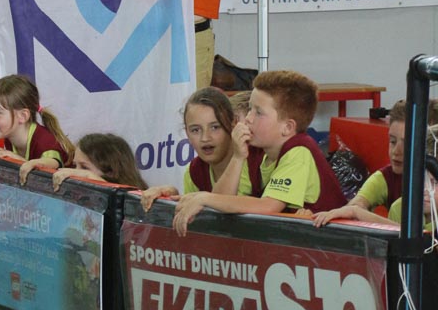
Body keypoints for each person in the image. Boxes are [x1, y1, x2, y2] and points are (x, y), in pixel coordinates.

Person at [172, 70, 346, 236]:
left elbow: (268, 206)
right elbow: (222, 202)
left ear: (287, 127)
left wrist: (204, 198)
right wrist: (237, 158)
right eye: (250, 109)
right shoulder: (262, 154)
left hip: (336, 246)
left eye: (258, 112)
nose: (248, 118)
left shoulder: (299, 151)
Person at [314, 123, 438, 230]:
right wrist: (354, 210)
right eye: (419, 180)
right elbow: (401, 238)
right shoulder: (400, 208)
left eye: (434, 182)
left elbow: (424, 240)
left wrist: (358, 213)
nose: (425, 190)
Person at [313, 100, 405, 227]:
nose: (396, 151)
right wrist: (354, 209)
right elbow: (356, 204)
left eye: (407, 144)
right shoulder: (385, 177)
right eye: (393, 141)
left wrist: (357, 213)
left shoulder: (431, 187)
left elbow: (424, 237)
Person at [141, 87, 234, 211]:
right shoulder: (194, 172)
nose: (205, 138)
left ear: (233, 124)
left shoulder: (256, 162)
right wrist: (171, 198)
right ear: (186, 132)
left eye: (215, 127)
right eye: (195, 130)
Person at [0, 75, 73, 184]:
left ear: (22, 116)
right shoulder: (10, 135)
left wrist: (15, 159)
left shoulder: (45, 144)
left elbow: (48, 176)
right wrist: (1, 153)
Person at [52, 133, 147, 191]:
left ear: (111, 172)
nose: (75, 172)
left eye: (84, 167)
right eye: (75, 165)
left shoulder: (137, 202)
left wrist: (88, 176)